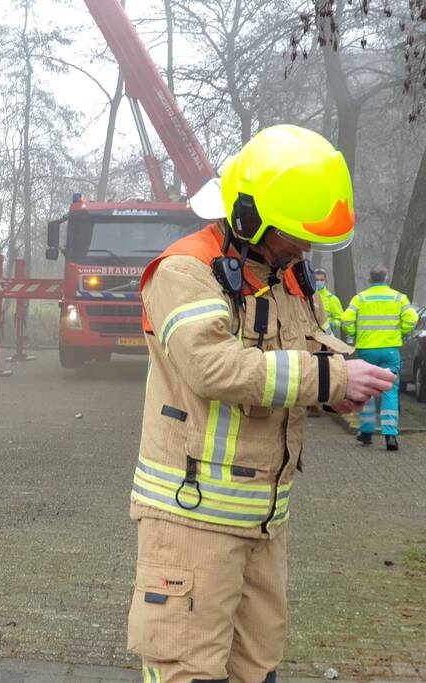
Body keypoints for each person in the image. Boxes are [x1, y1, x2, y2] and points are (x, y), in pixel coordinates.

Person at [130, 124, 395, 683]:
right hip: (191, 514)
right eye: (294, 234)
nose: (305, 248)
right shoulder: (184, 272)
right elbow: (214, 367)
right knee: (187, 667)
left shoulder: (284, 272)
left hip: (263, 518)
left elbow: (309, 349)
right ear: (249, 217)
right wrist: (329, 379)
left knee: (257, 668)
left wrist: (342, 385)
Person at [341, 265, 419, 451]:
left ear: (370, 278)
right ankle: (390, 435)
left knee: (367, 389)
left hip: (367, 350)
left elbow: (346, 319)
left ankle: (366, 432)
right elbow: (412, 318)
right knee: (390, 389)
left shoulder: (360, 298)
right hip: (390, 350)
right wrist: (401, 331)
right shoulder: (399, 298)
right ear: (387, 278)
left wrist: (353, 333)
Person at [313, 268, 344, 337]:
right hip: (311, 335)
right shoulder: (307, 297)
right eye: (316, 280)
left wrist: (332, 324)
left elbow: (341, 318)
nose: (319, 282)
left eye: (321, 280)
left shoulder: (332, 299)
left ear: (325, 281)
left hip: (326, 336)